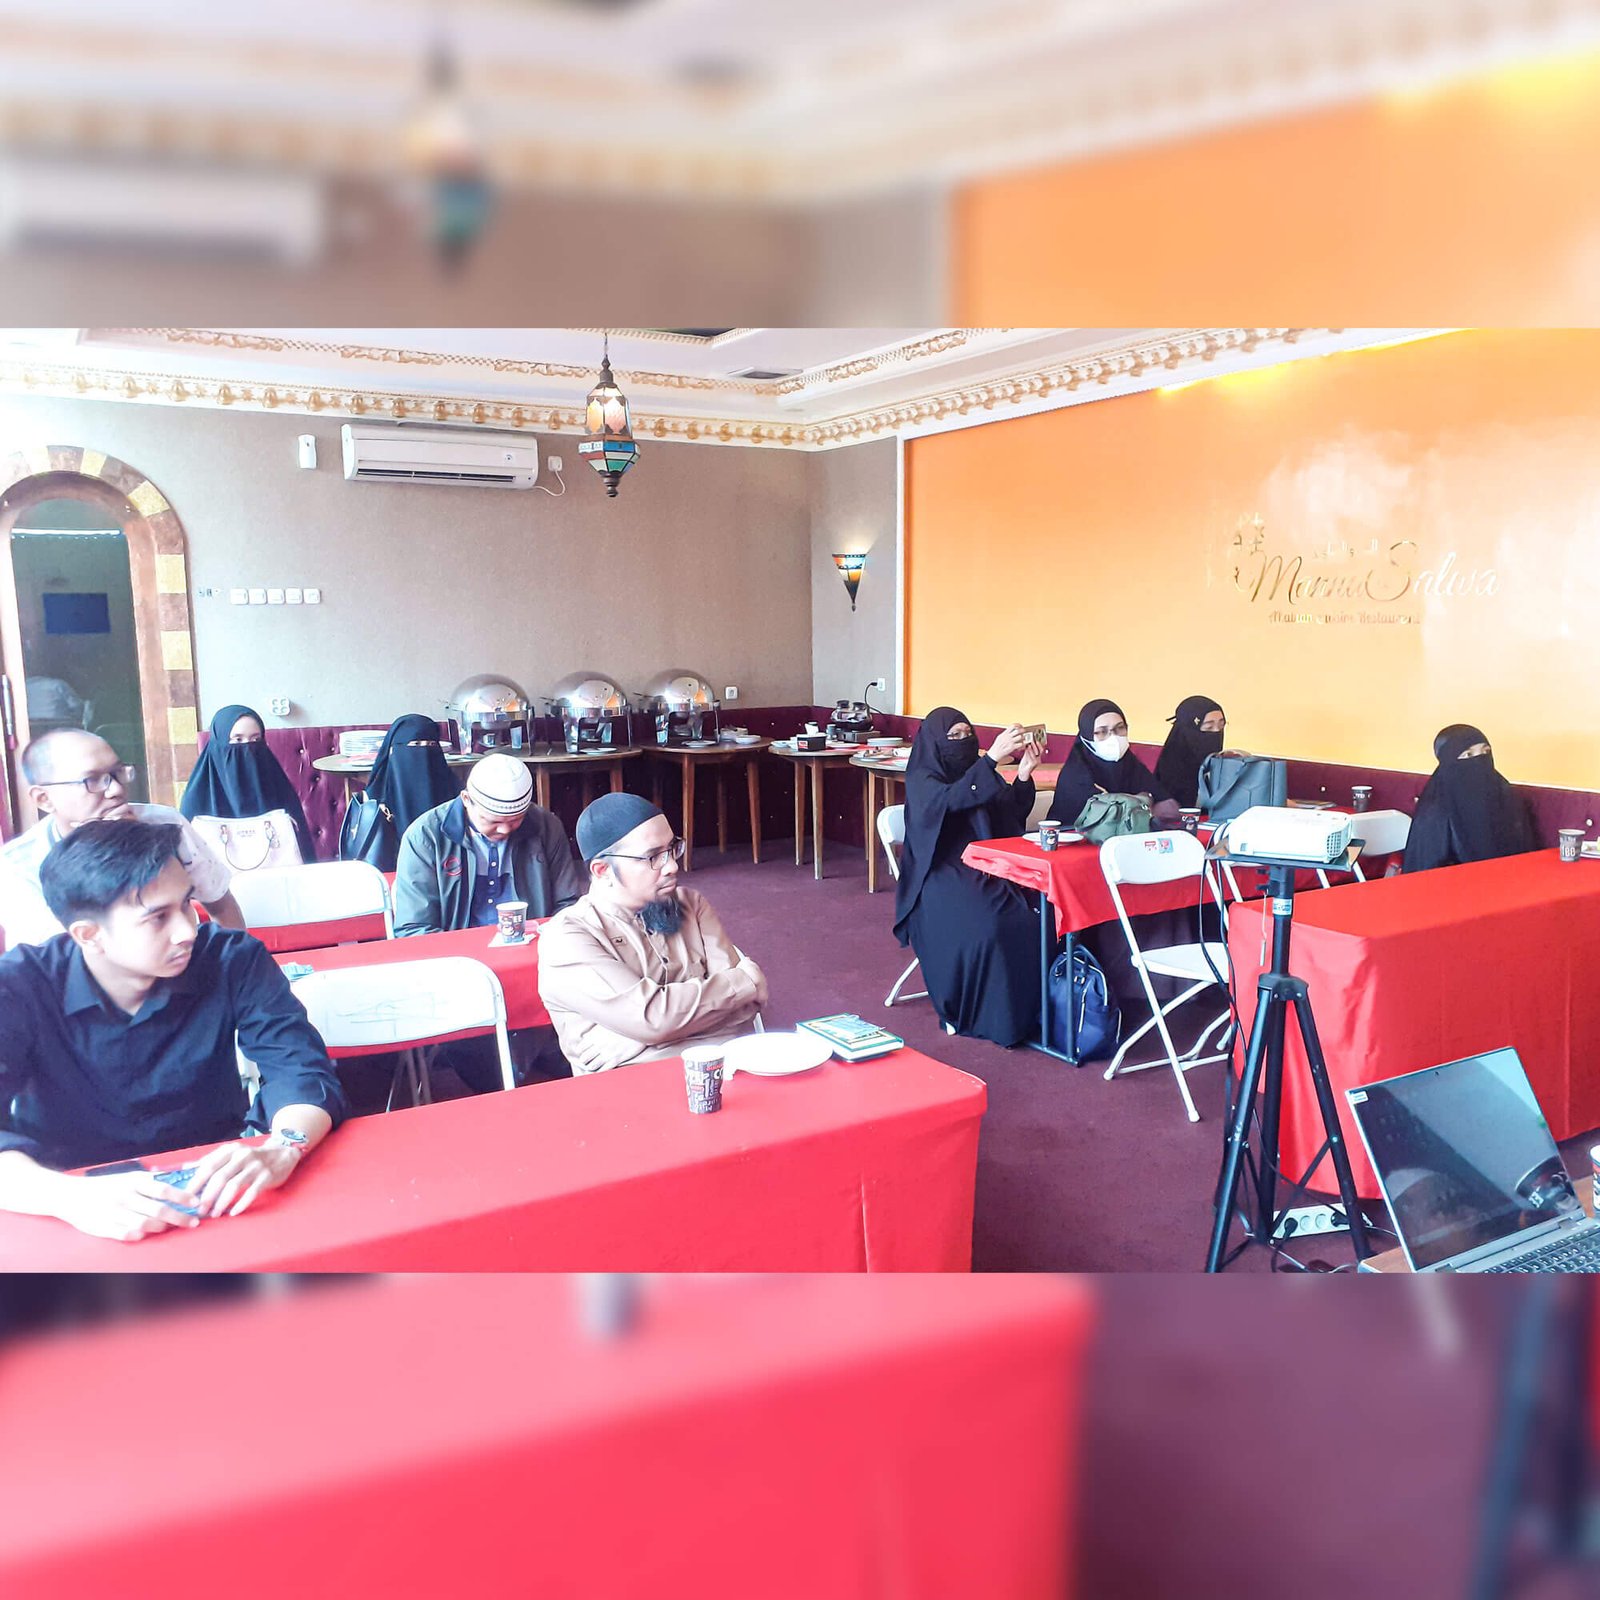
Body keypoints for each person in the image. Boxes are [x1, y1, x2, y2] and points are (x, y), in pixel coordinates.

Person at [0, 820, 345, 1241]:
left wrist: (284, 1146)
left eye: (186, 904)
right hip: (66, 1199)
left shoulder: (231, 958)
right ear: (89, 935)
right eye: (157, 918)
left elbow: (300, 1069)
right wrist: (66, 1197)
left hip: (212, 1185)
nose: (187, 930)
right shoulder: (19, 985)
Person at [537, 793, 767, 1074]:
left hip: (719, 1075)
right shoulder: (568, 938)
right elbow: (655, 1018)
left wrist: (642, 1034)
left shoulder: (691, 905)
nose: (672, 866)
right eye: (653, 857)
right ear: (603, 870)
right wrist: (741, 984)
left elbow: (745, 1008)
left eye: (672, 849)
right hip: (631, 1089)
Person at [0, 729, 244, 951]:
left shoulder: (164, 824)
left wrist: (239, 968)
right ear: (43, 799)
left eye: (117, 773)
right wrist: (100, 848)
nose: (116, 789)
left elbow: (220, 903)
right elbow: (59, 959)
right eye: (92, 780)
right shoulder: (17, 867)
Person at [893, 707, 1042, 1046]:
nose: (963, 741)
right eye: (954, 736)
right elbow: (952, 800)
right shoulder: (922, 779)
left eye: (967, 734)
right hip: (940, 871)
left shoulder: (977, 771)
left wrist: (1023, 776)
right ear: (935, 742)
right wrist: (990, 760)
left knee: (1039, 913)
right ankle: (989, 1016)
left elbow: (1008, 813)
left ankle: (1035, 1013)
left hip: (988, 863)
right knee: (992, 923)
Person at [394, 752, 586, 936]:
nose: (504, 830)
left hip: (535, 943)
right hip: (456, 952)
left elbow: (567, 905)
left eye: (515, 820)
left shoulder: (546, 826)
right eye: (493, 821)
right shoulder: (425, 837)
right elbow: (414, 928)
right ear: (466, 799)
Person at [179, 703, 316, 862]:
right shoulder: (197, 798)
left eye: (255, 739)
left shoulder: (278, 787)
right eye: (238, 739)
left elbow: (303, 852)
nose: (247, 747)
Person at [1402, 724, 1539, 874]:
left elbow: (1524, 854)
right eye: (1468, 754)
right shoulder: (1435, 810)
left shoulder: (1506, 796)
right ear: (1449, 760)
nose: (1480, 760)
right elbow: (1427, 871)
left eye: (1486, 751)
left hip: (1511, 880)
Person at [346, 713, 459, 872]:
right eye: (415, 744)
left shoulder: (454, 792)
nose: (423, 752)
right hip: (389, 874)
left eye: (431, 744)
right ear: (393, 750)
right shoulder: (373, 802)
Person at [1047, 699, 1176, 828]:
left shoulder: (1132, 765)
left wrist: (1136, 807)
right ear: (1086, 737)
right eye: (1102, 732)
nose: (1113, 737)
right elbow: (1107, 819)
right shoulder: (1077, 774)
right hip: (1072, 837)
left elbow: (1170, 807)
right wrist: (1144, 804)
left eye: (1120, 728)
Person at [1154, 695, 1227, 810]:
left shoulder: (1222, 764)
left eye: (1221, 727)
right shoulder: (1171, 770)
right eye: (1208, 727)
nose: (1216, 732)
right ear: (1188, 731)